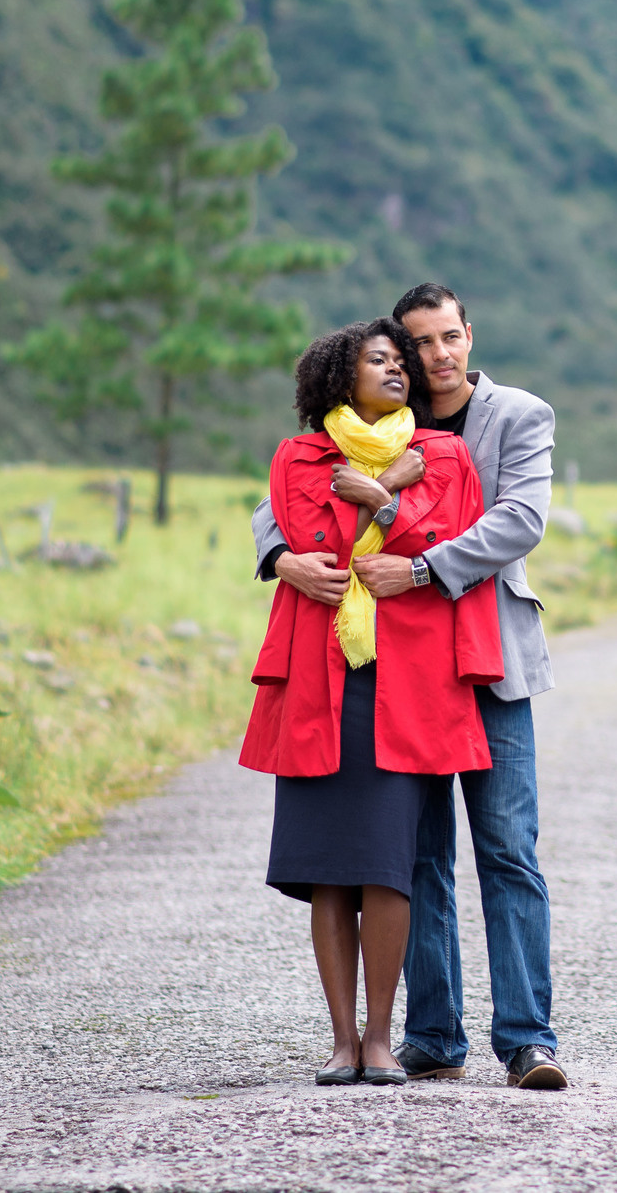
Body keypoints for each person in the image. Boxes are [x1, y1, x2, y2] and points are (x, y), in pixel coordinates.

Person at [251, 282, 564, 1089]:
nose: (436, 354)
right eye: (419, 342)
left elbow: (518, 519)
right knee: (416, 855)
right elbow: (281, 494)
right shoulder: (390, 422)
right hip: (408, 671)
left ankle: (528, 1039)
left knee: (506, 850)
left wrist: (419, 565)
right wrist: (279, 556)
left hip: (490, 660)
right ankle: (432, 1034)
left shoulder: (516, 416)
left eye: (448, 336)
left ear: (470, 332)